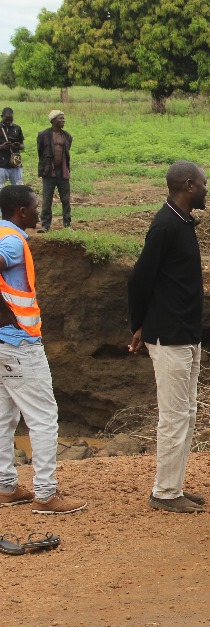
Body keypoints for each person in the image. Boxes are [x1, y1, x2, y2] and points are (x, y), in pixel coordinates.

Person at [127, 161, 209, 514]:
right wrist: (139, 324)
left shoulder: (181, 221)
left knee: (186, 413)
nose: (207, 189)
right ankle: (164, 492)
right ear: (189, 185)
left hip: (186, 332)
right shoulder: (165, 225)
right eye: (203, 183)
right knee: (174, 416)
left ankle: (174, 485)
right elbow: (139, 278)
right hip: (169, 335)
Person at [0, 185, 86, 515]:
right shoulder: (12, 241)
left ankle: (6, 487)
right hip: (20, 343)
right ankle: (46, 494)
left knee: (4, 417)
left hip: (4, 344)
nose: (39, 211)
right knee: (43, 418)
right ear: (21, 211)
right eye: (35, 207)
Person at [36, 110, 72, 232]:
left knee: (66, 199)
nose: (63, 120)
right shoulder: (43, 135)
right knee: (47, 200)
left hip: (62, 172)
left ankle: (67, 225)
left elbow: (67, 153)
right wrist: (45, 167)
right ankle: (45, 225)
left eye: (63, 118)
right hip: (49, 172)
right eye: (60, 118)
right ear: (53, 120)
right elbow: (40, 152)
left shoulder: (67, 136)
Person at [0, 108, 25, 187]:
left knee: (19, 188)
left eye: (11, 119)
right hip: (1, 164)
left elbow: (23, 146)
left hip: (15, 164)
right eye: (6, 119)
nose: (9, 122)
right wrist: (2, 147)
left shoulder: (17, 128)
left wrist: (19, 145)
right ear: (2, 116)